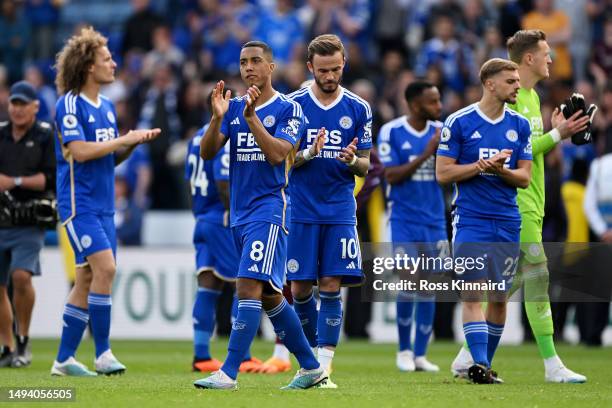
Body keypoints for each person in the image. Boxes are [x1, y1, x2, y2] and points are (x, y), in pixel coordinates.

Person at [450, 29, 590, 383]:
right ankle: (551, 364)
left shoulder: (530, 96)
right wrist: (559, 134)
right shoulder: (514, 99)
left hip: (533, 200)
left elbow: (529, 149)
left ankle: (469, 354)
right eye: (545, 53)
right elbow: (517, 151)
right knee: (537, 275)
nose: (551, 59)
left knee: (504, 285)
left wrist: (556, 130)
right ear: (529, 58)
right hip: (516, 204)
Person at [193, 41, 326, 390]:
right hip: (239, 213)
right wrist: (217, 118)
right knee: (269, 295)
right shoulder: (233, 108)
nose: (248, 67)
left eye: (255, 61)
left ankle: (229, 372)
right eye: (243, 62)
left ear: (271, 67)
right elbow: (208, 152)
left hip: (270, 210)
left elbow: (279, 154)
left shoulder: (289, 110)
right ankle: (311, 367)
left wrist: (252, 120)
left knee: (247, 286)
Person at [51, 27, 160, 377]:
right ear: (88, 67)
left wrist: (131, 144)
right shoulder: (68, 104)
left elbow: (107, 160)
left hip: (103, 205)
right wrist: (122, 139)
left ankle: (64, 360)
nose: (114, 63)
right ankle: (103, 353)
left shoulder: (109, 107)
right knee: (107, 269)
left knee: (86, 280)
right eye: (107, 59)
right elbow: (80, 152)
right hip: (78, 204)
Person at [436, 58, 533, 384]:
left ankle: (483, 367)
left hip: (507, 220)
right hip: (471, 220)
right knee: (473, 293)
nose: (517, 85)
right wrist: (480, 166)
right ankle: (478, 362)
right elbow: (443, 173)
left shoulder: (520, 125)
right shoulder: (459, 122)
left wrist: (500, 170)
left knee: (499, 299)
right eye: (511, 81)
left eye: (518, 80)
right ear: (490, 84)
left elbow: (524, 178)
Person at [286, 34, 372, 388]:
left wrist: (353, 160)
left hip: (339, 208)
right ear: (310, 68)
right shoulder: (292, 105)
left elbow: (367, 165)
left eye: (336, 68)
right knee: (301, 289)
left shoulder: (359, 108)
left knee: (331, 284)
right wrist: (307, 152)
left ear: (344, 65)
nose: (330, 75)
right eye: (323, 70)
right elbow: (283, 160)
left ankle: (323, 367)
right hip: (301, 207)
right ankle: (309, 362)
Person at [377, 81, 446, 373]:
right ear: (414, 104)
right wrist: (426, 154)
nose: (438, 107)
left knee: (429, 286)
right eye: (432, 102)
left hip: (436, 221)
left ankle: (420, 354)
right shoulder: (391, 131)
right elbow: (391, 176)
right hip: (404, 219)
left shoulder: (443, 130)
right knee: (408, 281)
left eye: (439, 100)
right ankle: (403, 350)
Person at [186, 119, 264, 374]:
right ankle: (244, 356)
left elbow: (192, 180)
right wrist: (236, 213)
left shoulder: (197, 136)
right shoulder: (224, 136)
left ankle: (201, 355)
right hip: (222, 218)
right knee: (242, 284)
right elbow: (222, 181)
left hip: (202, 218)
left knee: (208, 286)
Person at [0, 80, 55, 368]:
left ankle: (23, 339)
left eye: (23, 104)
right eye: (14, 103)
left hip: (29, 220)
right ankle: (8, 347)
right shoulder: (0, 134)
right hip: (0, 217)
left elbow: (51, 178)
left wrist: (14, 182)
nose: (17, 109)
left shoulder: (45, 136)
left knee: (21, 276)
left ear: (35, 107)